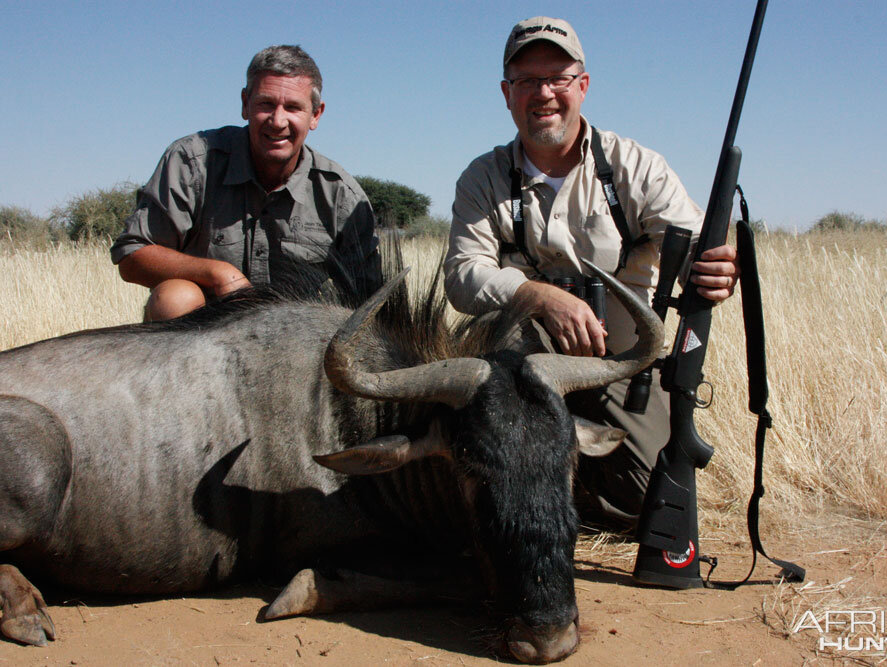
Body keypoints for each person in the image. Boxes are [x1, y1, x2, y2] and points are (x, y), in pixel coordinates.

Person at [444, 17, 740, 528]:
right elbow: (462, 276)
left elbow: (692, 244)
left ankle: (559, 490)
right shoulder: (482, 177)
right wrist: (537, 296)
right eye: (527, 81)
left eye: (558, 78)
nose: (544, 93)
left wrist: (714, 267)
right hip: (523, 375)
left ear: (582, 85)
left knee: (647, 503)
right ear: (506, 94)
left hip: (619, 369)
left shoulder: (638, 168)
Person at [111, 45, 381, 321]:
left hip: (295, 344)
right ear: (244, 104)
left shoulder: (340, 195)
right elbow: (132, 255)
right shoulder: (191, 162)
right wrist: (219, 275)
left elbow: (371, 302)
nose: (277, 121)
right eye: (266, 104)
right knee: (175, 297)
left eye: (292, 107)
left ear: (315, 115)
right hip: (202, 338)